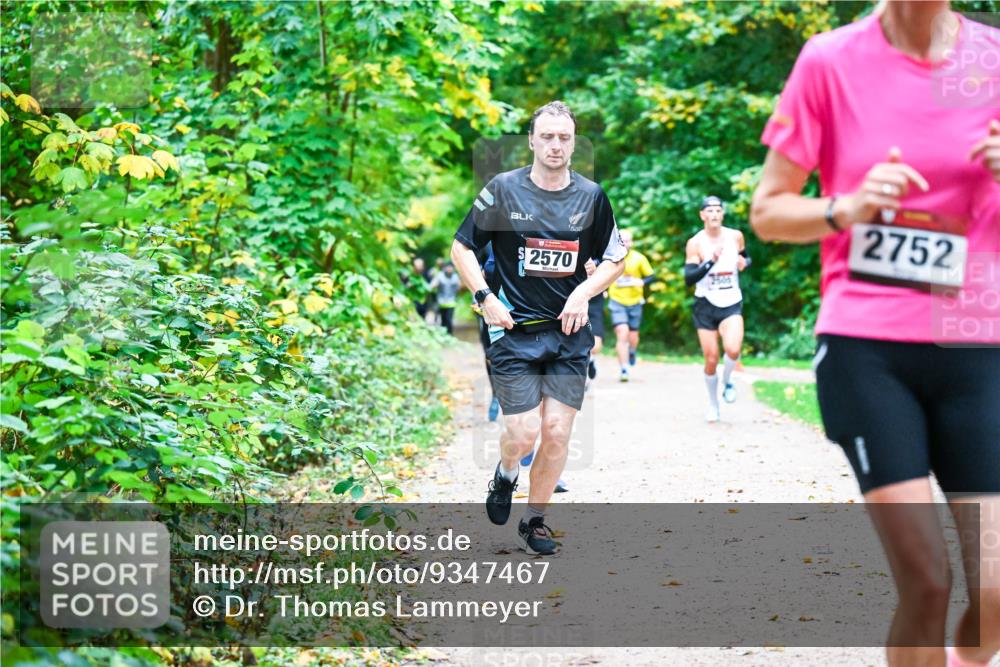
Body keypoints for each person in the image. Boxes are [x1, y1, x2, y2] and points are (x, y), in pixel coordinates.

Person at [751, 2, 999, 665]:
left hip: (977, 342)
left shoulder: (992, 61)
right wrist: (848, 207)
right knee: (927, 581)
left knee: (996, 591)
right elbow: (768, 211)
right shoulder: (831, 60)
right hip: (867, 345)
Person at [451, 100, 626, 555]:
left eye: (564, 137)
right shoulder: (503, 190)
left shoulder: (592, 196)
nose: (555, 145)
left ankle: (535, 521)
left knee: (558, 432)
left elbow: (616, 258)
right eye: (547, 136)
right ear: (531, 140)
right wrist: (484, 297)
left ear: (574, 143)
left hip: (569, 335)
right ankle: (506, 473)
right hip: (514, 330)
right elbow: (461, 248)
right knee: (524, 433)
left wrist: (583, 293)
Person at [684, 196, 749, 422]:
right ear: (702, 215)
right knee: (711, 359)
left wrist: (745, 263)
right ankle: (714, 405)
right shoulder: (695, 242)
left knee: (733, 349)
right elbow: (689, 278)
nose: (714, 214)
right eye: (709, 210)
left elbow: (745, 258)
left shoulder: (735, 236)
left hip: (731, 301)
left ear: (722, 214)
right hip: (705, 304)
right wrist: (710, 261)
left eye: (718, 210)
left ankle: (728, 380)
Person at [607, 229, 656, 382]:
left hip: (635, 302)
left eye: (628, 240)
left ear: (632, 242)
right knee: (622, 333)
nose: (625, 243)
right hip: (617, 301)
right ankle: (624, 369)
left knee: (633, 336)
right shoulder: (610, 257)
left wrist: (641, 282)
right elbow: (602, 274)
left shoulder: (639, 258)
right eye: (622, 240)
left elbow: (651, 276)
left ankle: (632, 350)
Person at [429, 262, 461, 335]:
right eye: (448, 267)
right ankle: (443, 335)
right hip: (441, 302)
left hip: (451, 302)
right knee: (443, 320)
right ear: (445, 268)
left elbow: (459, 288)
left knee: (449, 319)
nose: (449, 269)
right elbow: (432, 285)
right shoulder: (440, 275)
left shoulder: (455, 277)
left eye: (451, 267)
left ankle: (450, 334)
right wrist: (434, 284)